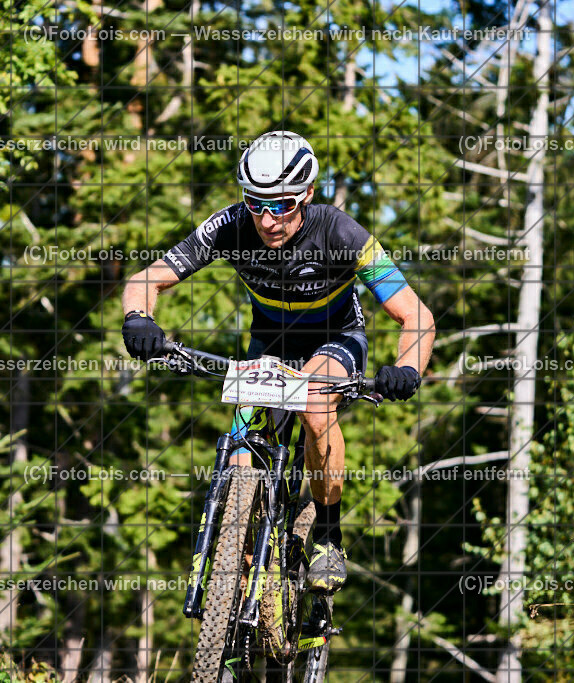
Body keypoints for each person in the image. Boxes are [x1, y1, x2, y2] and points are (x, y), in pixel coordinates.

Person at [121, 130, 435, 593]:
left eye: (283, 204)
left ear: (307, 193)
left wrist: (407, 368)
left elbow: (415, 314)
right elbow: (147, 279)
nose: (269, 219)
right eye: (256, 203)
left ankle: (328, 534)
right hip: (269, 343)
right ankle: (238, 576)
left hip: (336, 339)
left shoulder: (340, 231)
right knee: (243, 442)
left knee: (312, 402)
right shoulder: (230, 226)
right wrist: (138, 318)